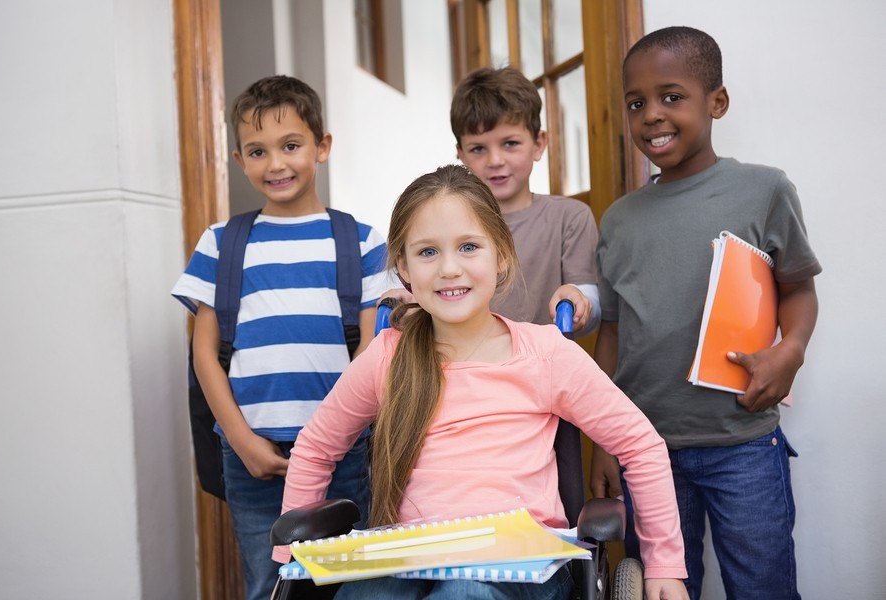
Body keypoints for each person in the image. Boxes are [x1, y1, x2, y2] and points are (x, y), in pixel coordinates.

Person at [274, 165, 688, 600]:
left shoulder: (544, 354)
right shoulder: (387, 357)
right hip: (410, 557)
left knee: (463, 593)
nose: (449, 268)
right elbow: (316, 448)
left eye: (469, 247)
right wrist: (288, 561)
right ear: (404, 269)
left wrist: (664, 564)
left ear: (501, 255)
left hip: (527, 566)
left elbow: (640, 444)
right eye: (428, 252)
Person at [590, 26, 820, 600]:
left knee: (763, 587)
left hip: (743, 441)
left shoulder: (763, 190)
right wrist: (603, 441)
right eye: (637, 103)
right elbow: (613, 330)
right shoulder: (618, 219)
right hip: (646, 451)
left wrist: (789, 352)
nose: (652, 116)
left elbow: (798, 288)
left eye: (672, 97)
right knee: (663, 590)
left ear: (716, 102)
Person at [171, 75, 388, 600]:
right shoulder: (221, 243)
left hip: (343, 451)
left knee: (347, 581)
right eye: (257, 151)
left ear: (322, 147)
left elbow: (373, 350)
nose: (276, 164)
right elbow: (204, 355)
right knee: (272, 584)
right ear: (239, 159)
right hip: (253, 458)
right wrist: (242, 442)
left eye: (291, 145)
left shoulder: (360, 240)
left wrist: (335, 438)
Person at [450, 66, 600, 333]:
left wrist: (578, 300)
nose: (495, 161)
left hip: (545, 370)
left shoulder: (570, 218)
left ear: (539, 144)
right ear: (461, 154)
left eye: (510, 143)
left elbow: (590, 307)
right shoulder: (446, 222)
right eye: (478, 149)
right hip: (464, 369)